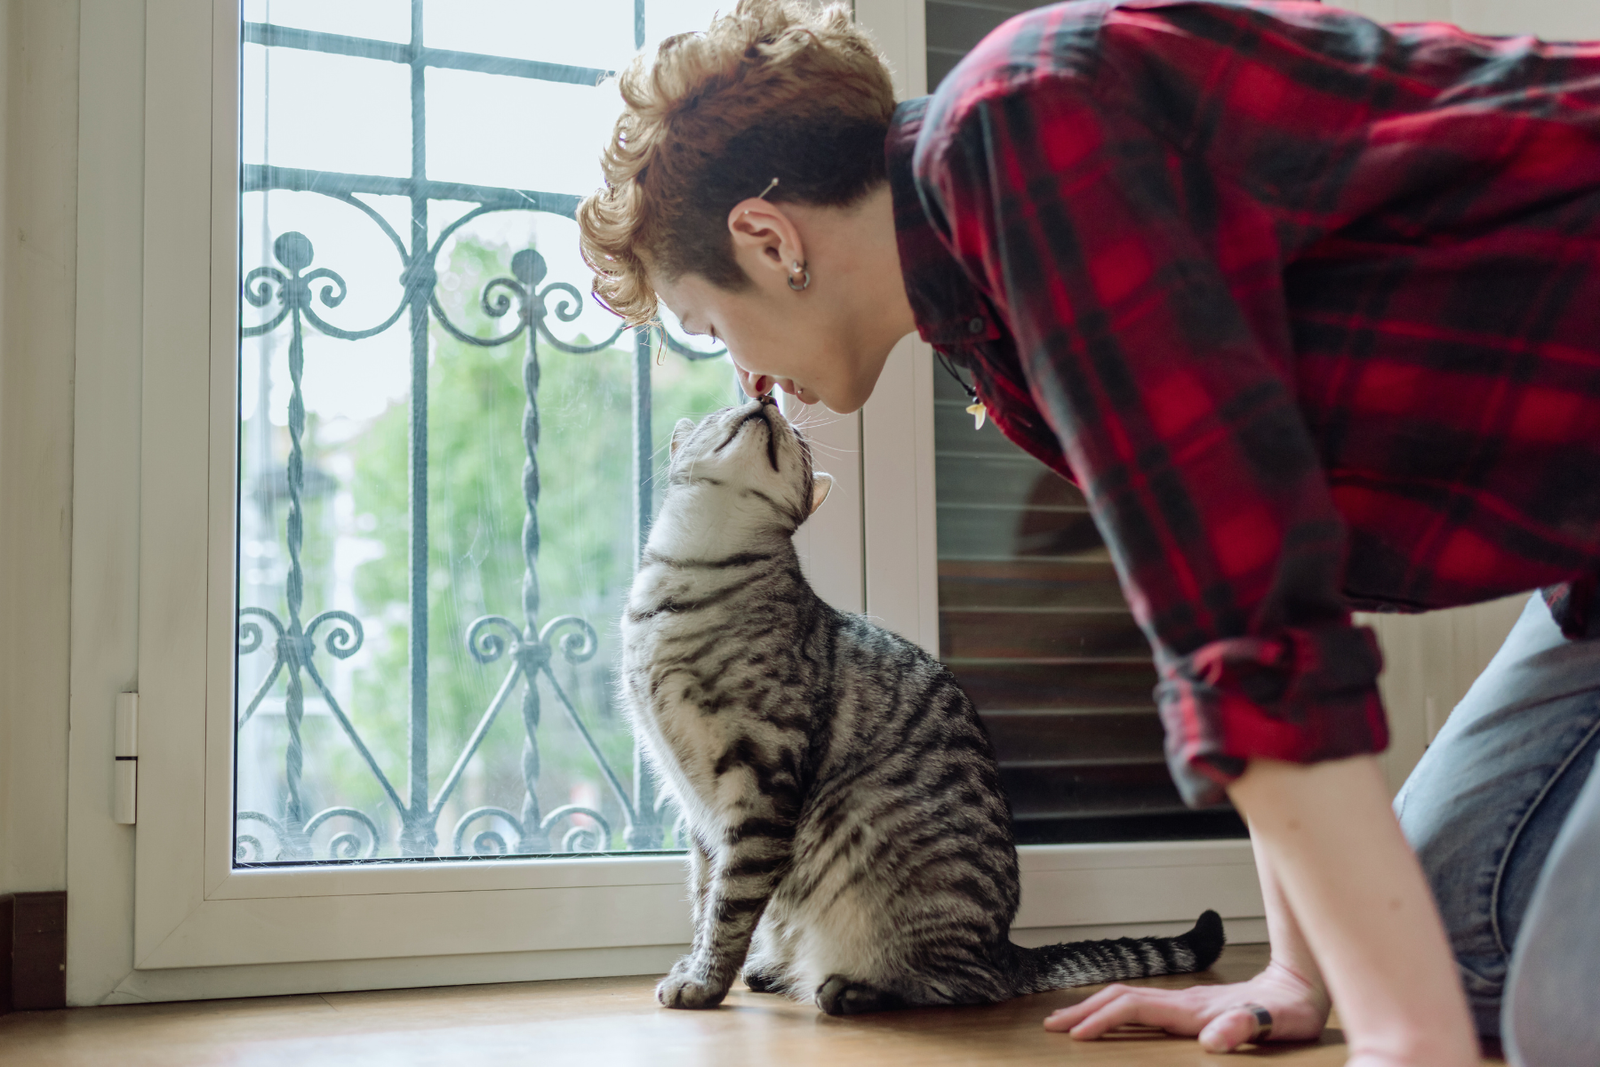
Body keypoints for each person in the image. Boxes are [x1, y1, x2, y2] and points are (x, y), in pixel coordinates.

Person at [575, 2, 1600, 1064]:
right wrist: (1297, 974)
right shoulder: (989, 339)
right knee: (1453, 936)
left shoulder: (1028, 130)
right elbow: (1261, 549)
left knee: (1556, 993)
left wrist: (1399, 1039)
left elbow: (1244, 621)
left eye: (707, 324)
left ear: (769, 238)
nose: (743, 377)